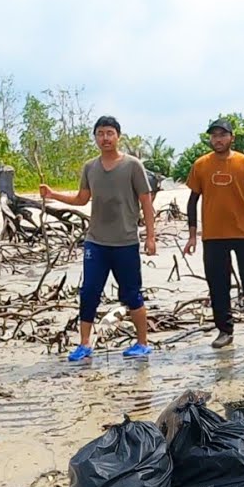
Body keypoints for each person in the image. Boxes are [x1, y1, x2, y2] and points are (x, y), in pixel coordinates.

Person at [41, 115, 157, 361]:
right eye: (100, 133)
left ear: (118, 136)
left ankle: (142, 342)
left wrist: (150, 237)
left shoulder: (133, 165)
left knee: (132, 293)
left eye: (109, 133)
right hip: (96, 242)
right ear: (95, 137)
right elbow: (82, 199)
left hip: (126, 241)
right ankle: (84, 344)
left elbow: (146, 202)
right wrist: (53, 194)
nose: (105, 138)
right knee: (90, 292)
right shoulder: (90, 167)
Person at [182, 118, 244, 351]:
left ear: (231, 137)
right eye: (214, 135)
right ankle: (225, 331)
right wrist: (192, 235)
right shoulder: (201, 165)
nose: (218, 139)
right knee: (218, 284)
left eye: (222, 135)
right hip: (213, 236)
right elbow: (192, 201)